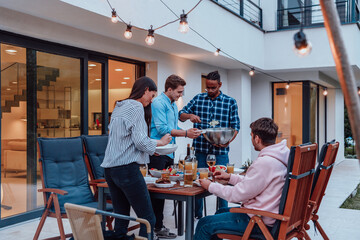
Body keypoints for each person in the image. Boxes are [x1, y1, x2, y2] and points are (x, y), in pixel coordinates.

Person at [194, 118, 290, 240]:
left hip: (259, 221)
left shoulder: (265, 163)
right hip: (270, 215)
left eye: (251, 136)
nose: (251, 140)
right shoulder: (281, 155)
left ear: (257, 138)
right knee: (221, 212)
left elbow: (237, 195)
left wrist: (210, 186)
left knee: (204, 224)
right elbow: (255, 183)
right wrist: (230, 178)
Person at [101, 76, 172, 239]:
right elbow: (140, 142)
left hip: (110, 170)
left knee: (121, 216)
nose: (151, 100)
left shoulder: (120, 106)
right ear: (146, 89)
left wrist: (150, 148)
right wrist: (160, 143)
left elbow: (127, 140)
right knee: (148, 219)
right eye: (152, 95)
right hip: (127, 170)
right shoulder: (137, 107)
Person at [179, 70, 240, 219]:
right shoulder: (198, 98)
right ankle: (197, 216)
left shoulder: (230, 102)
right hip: (200, 149)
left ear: (220, 85)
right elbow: (181, 115)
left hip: (220, 152)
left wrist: (227, 142)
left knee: (222, 183)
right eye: (208, 87)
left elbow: (235, 127)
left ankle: (222, 216)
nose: (210, 90)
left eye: (213, 87)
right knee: (199, 182)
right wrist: (190, 116)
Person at [149, 74, 201, 238]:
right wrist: (186, 133)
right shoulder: (158, 103)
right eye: (179, 92)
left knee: (165, 187)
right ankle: (155, 226)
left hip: (169, 151)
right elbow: (163, 128)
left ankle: (158, 225)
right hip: (158, 151)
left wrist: (188, 131)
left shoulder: (172, 104)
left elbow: (173, 126)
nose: (180, 95)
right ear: (169, 89)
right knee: (157, 191)